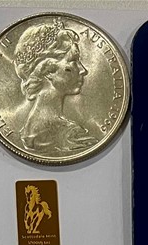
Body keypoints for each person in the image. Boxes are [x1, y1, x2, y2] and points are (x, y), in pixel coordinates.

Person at [13, 19, 97, 152]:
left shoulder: (26, 132)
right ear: (48, 70)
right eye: (74, 61)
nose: (83, 70)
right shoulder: (72, 136)